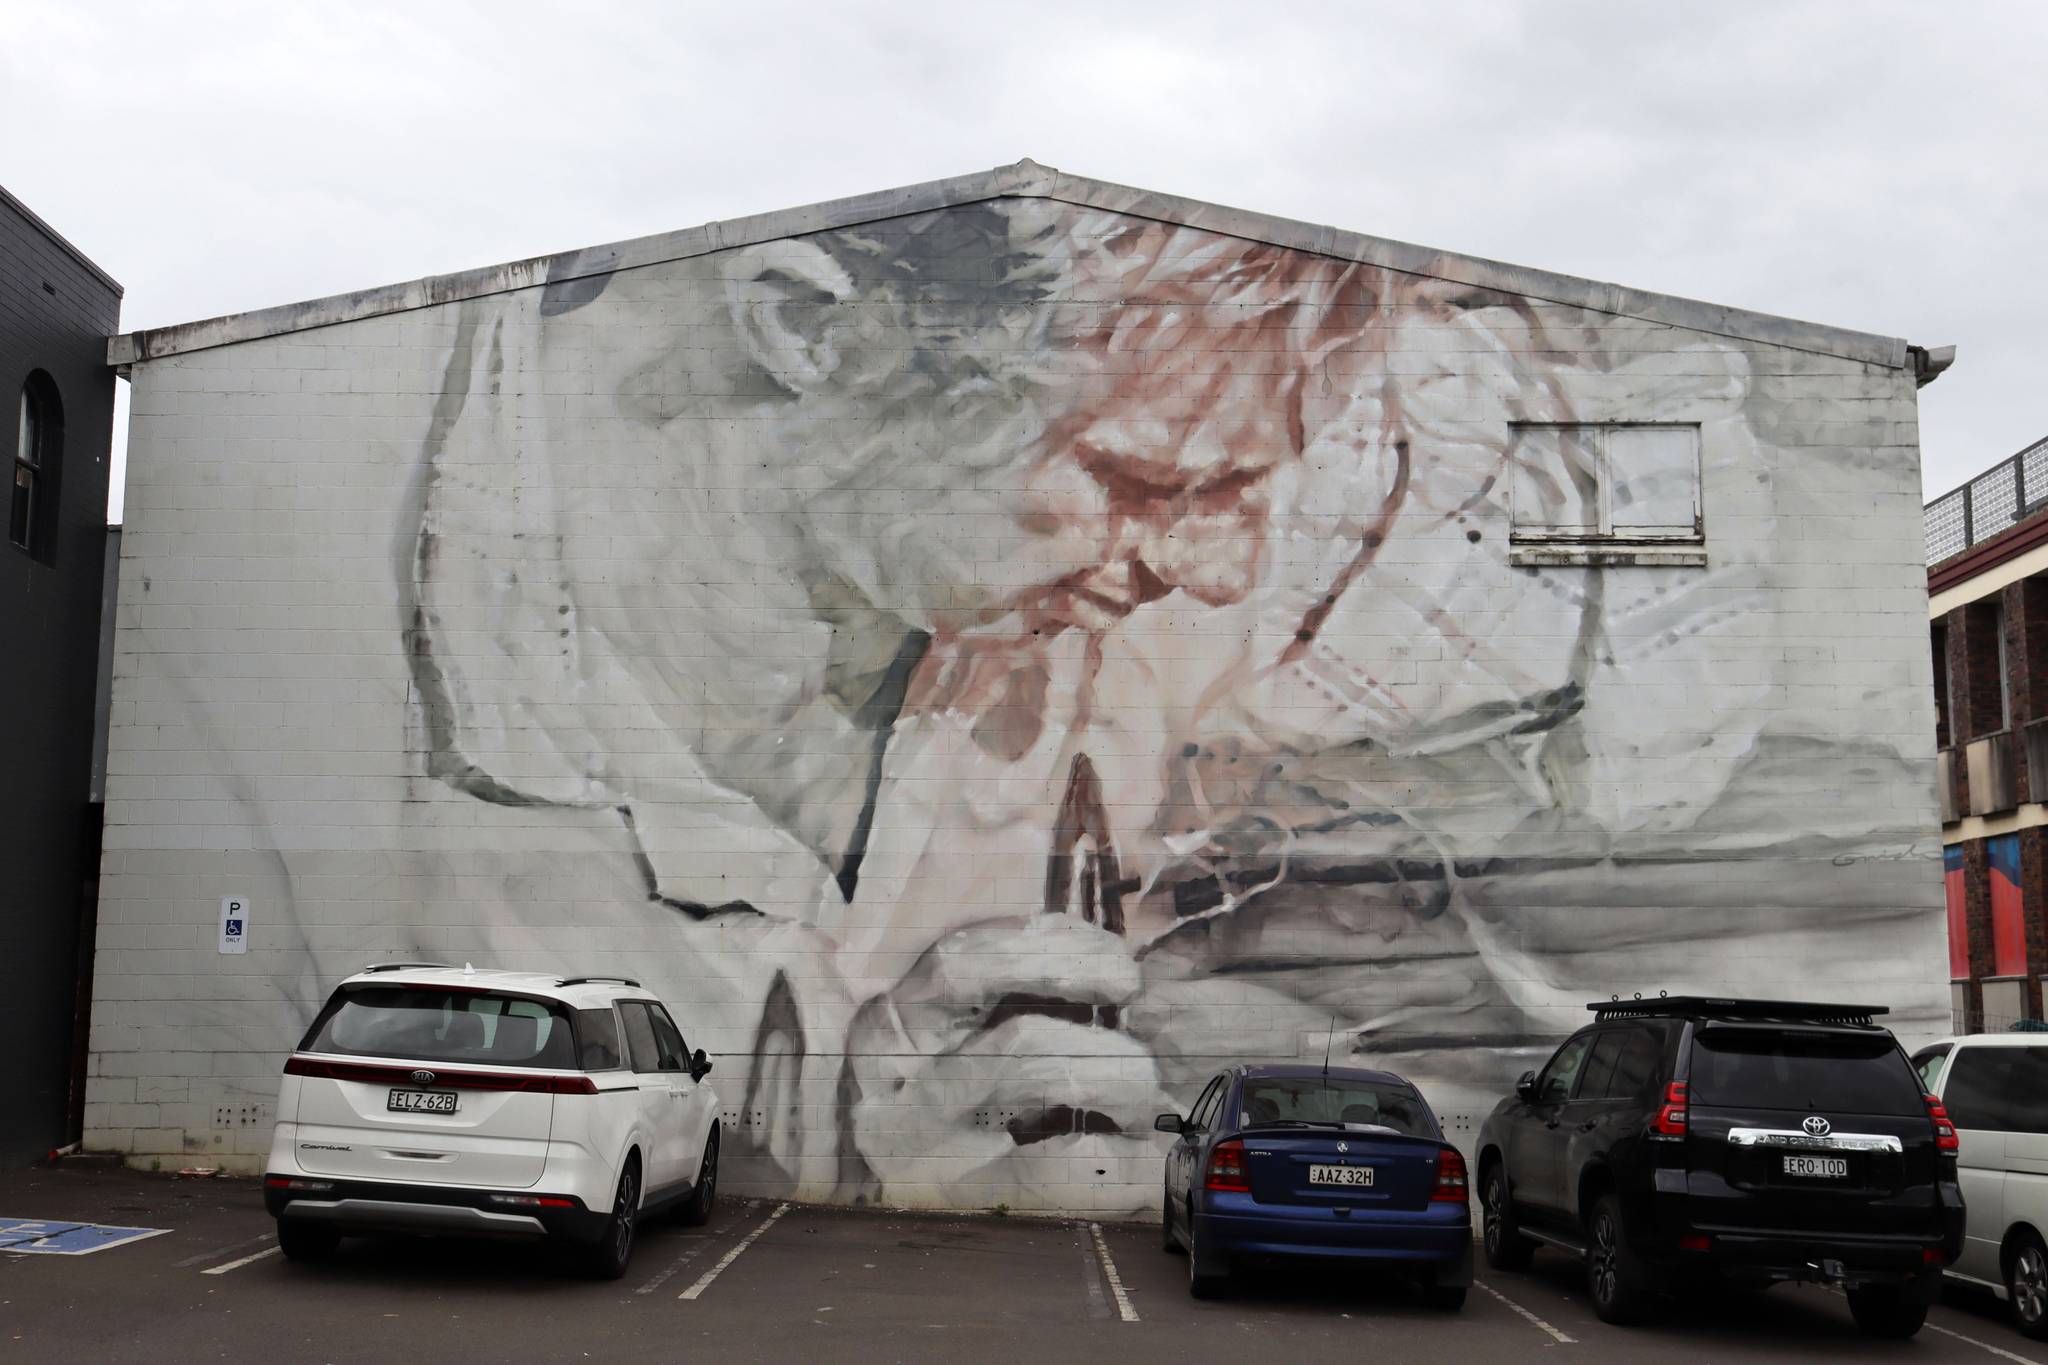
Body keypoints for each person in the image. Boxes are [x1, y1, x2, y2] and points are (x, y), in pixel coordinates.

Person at [405, 198, 1939, 1210]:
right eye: (1144, 481)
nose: (1212, 569)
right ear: (812, 331)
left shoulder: (1036, 586)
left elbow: (1651, 651)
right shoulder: (259, 660)